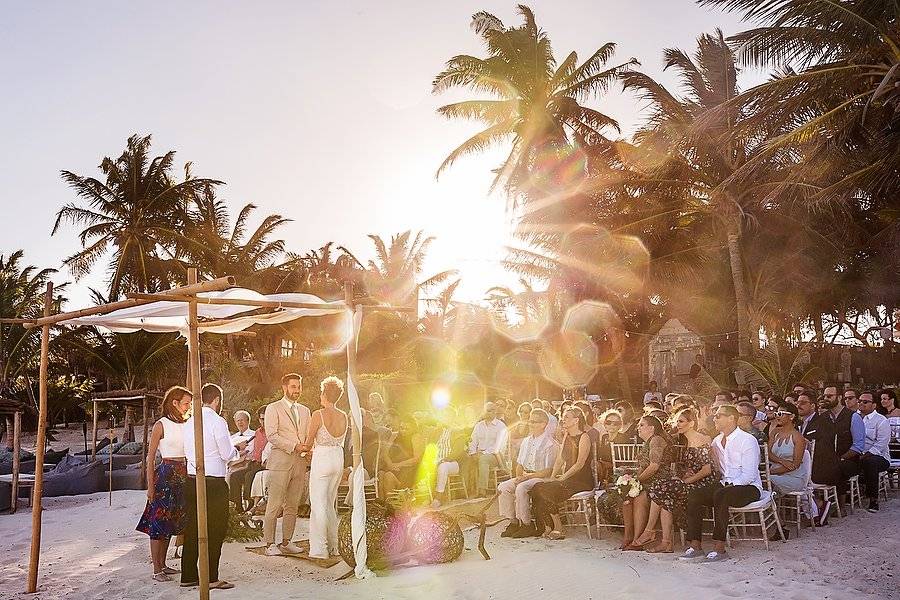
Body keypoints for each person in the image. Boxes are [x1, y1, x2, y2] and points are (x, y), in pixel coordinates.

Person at [680, 405, 762, 563]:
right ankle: (695, 546)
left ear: (731, 418)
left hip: (749, 487)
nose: (714, 419)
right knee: (695, 494)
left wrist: (727, 485)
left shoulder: (747, 440)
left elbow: (749, 475)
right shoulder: (716, 441)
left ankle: (720, 548)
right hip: (725, 485)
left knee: (721, 494)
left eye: (718, 416)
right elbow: (713, 466)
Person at [181, 384, 236, 589]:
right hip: (213, 482)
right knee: (215, 530)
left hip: (192, 478)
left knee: (192, 528)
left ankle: (187, 575)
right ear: (217, 400)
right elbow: (226, 453)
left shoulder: (189, 421)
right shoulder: (217, 420)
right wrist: (236, 451)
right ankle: (211, 577)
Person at [136, 386, 192, 581]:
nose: (188, 407)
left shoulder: (187, 423)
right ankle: (156, 570)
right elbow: (150, 457)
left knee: (171, 522)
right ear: (174, 403)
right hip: (166, 474)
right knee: (158, 522)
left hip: (183, 473)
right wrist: (150, 486)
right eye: (186, 403)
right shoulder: (161, 424)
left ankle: (164, 564)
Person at [262, 373, 311, 556]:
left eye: (299, 387)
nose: (297, 390)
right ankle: (269, 544)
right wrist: (294, 446)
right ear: (284, 388)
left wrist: (307, 449)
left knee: (293, 504)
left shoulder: (306, 411)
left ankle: (287, 541)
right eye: (293, 387)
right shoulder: (273, 408)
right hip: (280, 462)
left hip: (299, 463)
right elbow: (272, 436)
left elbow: (307, 435)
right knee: (274, 505)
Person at [530, 408, 595, 540]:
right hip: (568, 479)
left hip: (581, 480)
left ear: (576, 420)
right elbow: (560, 459)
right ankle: (548, 525)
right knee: (537, 487)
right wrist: (553, 477)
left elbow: (579, 464)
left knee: (548, 490)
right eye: (562, 417)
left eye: (566, 417)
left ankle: (558, 527)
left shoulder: (584, 437)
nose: (562, 419)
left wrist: (562, 478)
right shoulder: (567, 436)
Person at [304, 376, 348, 559]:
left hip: (322, 458)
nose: (320, 396)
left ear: (324, 394)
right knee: (330, 503)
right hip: (338, 458)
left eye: (321, 392)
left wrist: (304, 450)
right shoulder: (344, 416)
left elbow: (307, 443)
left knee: (318, 504)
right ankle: (334, 546)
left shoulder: (318, 414)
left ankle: (320, 548)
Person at [499, 409, 559, 538]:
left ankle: (527, 524)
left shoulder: (551, 444)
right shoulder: (526, 441)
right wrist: (519, 476)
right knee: (503, 487)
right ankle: (513, 522)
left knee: (521, 488)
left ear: (543, 424)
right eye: (530, 421)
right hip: (525, 476)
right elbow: (520, 463)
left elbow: (549, 470)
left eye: (534, 421)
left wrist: (527, 477)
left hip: (541, 478)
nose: (530, 424)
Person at [622, 416, 675, 551]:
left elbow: (654, 466)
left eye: (641, 425)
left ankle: (639, 537)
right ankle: (630, 536)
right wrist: (631, 481)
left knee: (639, 496)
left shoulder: (656, 440)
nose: (638, 428)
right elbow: (642, 466)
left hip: (661, 480)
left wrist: (637, 481)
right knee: (626, 495)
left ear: (651, 428)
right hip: (649, 480)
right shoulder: (647, 442)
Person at [796, 391, 840, 523]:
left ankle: (817, 507)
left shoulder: (823, 422)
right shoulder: (799, 423)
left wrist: (805, 444)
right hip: (805, 465)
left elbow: (826, 447)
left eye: (803, 403)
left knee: (793, 478)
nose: (799, 405)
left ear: (813, 405)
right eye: (797, 402)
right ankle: (816, 508)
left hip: (821, 467)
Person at [767, 403, 814, 520]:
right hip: (775, 471)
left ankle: (777, 522)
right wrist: (781, 461)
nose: (777, 416)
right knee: (764, 482)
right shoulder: (775, 432)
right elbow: (768, 453)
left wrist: (770, 473)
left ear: (792, 416)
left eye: (781, 414)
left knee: (766, 482)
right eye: (777, 413)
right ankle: (774, 520)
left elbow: (795, 465)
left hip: (794, 476)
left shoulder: (798, 437)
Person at [819, 385, 864, 502]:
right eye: (824, 396)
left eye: (829, 396)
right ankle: (819, 502)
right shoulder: (823, 417)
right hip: (828, 461)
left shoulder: (853, 417)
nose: (826, 398)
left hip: (850, 461)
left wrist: (841, 458)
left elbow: (858, 446)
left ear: (839, 397)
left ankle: (841, 504)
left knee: (837, 466)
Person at [858, 391, 891, 512]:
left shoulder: (881, 420)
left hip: (880, 457)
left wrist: (864, 456)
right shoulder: (854, 418)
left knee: (870, 462)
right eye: (859, 401)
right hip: (858, 454)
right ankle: (846, 494)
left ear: (874, 405)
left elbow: (880, 445)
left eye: (865, 402)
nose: (861, 403)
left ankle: (873, 500)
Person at [467, 402, 507, 497]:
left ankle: (482, 491)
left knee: (483, 459)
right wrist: (473, 453)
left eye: (489, 411)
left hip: (496, 457)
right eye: (485, 411)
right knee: (466, 459)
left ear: (494, 412)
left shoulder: (501, 426)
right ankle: (466, 491)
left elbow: (499, 446)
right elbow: (472, 441)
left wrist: (483, 453)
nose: (486, 413)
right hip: (479, 454)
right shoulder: (479, 426)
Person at [226, 410, 255, 509]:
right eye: (238, 421)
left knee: (234, 476)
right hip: (233, 464)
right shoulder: (232, 437)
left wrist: (238, 452)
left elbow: (249, 452)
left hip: (247, 464)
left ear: (248, 421)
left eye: (242, 420)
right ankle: (236, 505)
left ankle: (245, 503)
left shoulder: (254, 435)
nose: (240, 423)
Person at [242, 406, 268, 511]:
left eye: (266, 418)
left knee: (249, 476)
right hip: (254, 462)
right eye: (262, 419)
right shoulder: (257, 432)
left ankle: (251, 502)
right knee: (235, 475)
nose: (264, 421)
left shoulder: (272, 432)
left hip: (265, 464)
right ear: (259, 419)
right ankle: (238, 505)